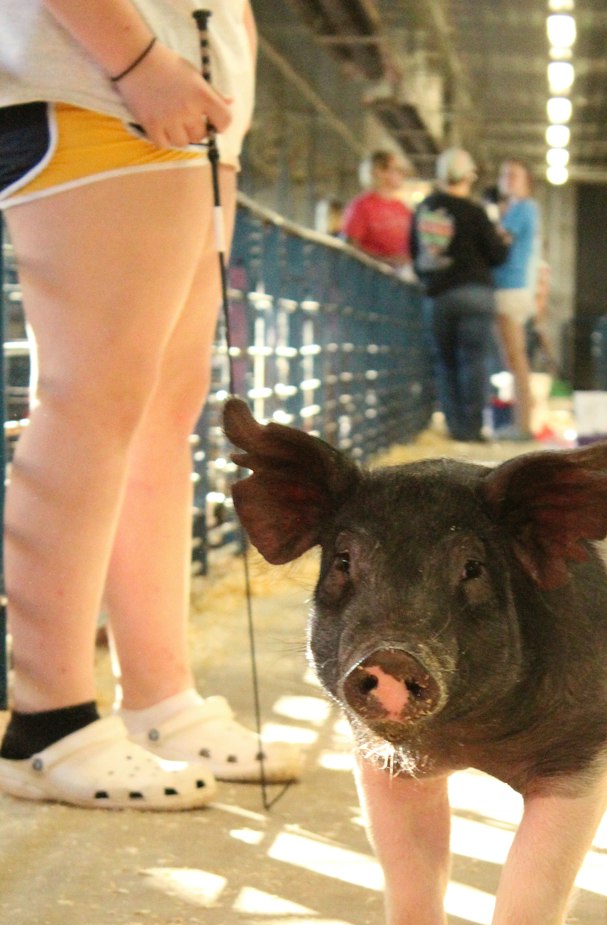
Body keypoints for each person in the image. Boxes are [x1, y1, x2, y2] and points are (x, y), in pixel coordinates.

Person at [0, 0, 299, 811]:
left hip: (174, 83)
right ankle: (47, 720)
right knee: (93, 393)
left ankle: (158, 699)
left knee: (163, 408)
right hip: (102, 75)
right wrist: (137, 61)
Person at [410, 146, 509, 444]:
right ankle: (474, 428)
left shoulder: (426, 209)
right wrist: (503, 241)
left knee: (446, 362)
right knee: (475, 361)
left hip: (440, 295)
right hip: (476, 293)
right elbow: (496, 255)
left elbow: (416, 255)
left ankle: (456, 428)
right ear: (468, 177)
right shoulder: (476, 212)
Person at [492, 158, 540, 439]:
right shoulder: (517, 209)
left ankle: (523, 424)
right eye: (505, 173)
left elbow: (499, 240)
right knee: (514, 358)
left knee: (515, 358)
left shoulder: (523, 208)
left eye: (514, 175)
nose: (507, 178)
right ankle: (522, 421)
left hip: (510, 287)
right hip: (514, 287)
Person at [341, 149, 412, 271]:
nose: (403, 175)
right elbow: (350, 248)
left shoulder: (402, 208)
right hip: (373, 279)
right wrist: (386, 261)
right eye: (398, 170)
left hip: (400, 278)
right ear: (378, 171)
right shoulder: (361, 206)